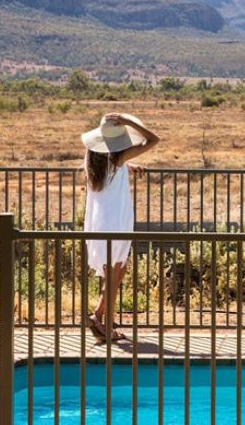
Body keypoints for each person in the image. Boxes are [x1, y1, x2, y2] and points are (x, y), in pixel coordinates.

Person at [82, 113, 159, 341]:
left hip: (101, 220)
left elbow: (112, 169)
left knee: (118, 271)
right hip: (115, 221)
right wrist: (131, 123)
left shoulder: (95, 158)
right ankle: (106, 328)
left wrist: (128, 165)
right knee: (114, 273)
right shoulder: (117, 159)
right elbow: (153, 140)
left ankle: (97, 316)